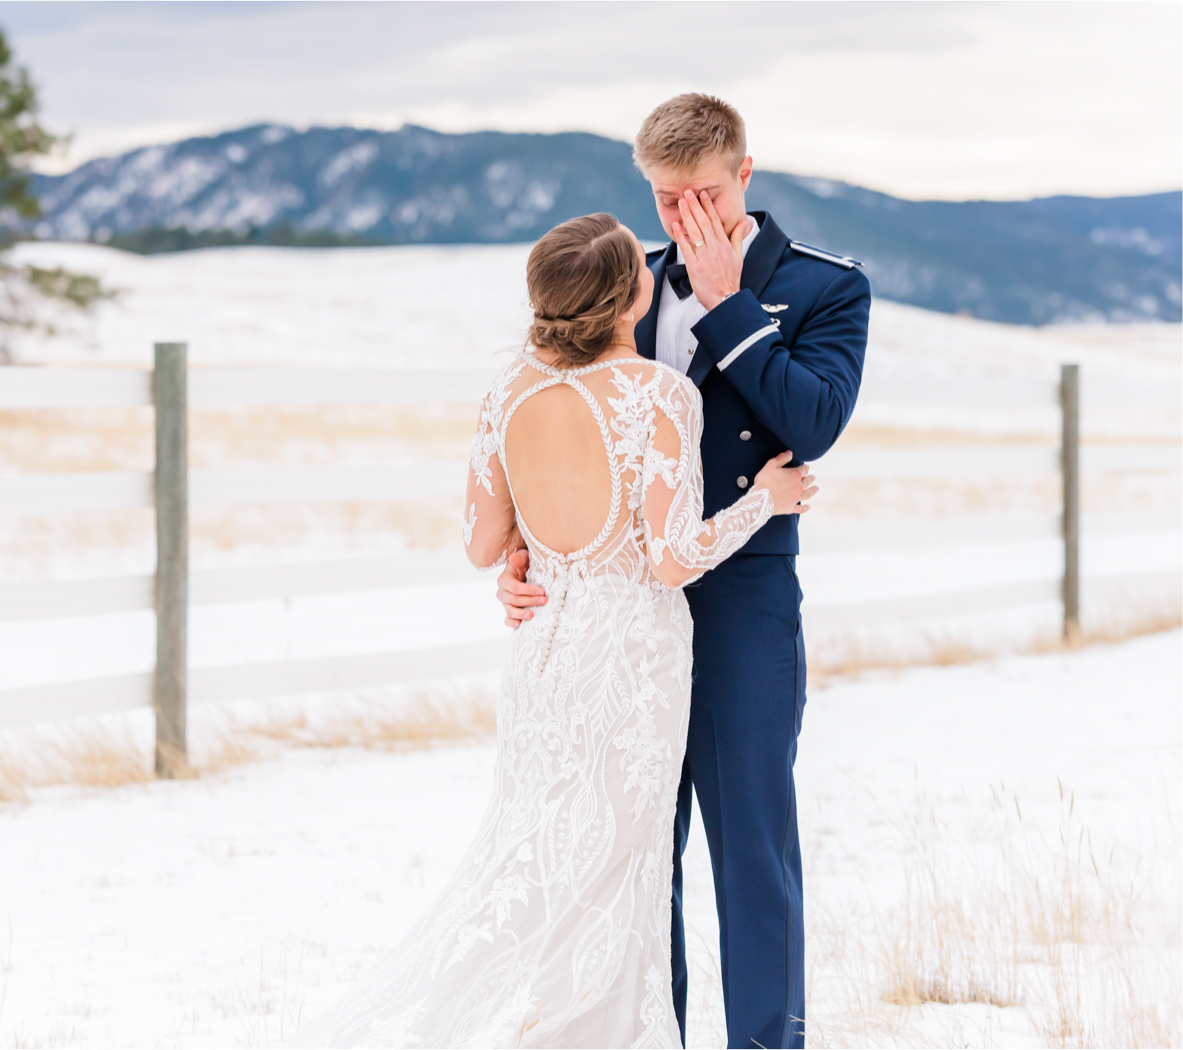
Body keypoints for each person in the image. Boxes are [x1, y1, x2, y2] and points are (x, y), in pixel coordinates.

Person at [304, 212, 814, 1048]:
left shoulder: (507, 393)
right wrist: (767, 499)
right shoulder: (659, 393)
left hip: (544, 654)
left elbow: (478, 541)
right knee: (621, 865)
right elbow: (673, 558)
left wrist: (528, 551)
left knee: (555, 857)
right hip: (633, 658)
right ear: (632, 295)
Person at [497, 94, 871, 1049]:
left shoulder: (826, 288)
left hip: (743, 600)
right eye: (664, 201)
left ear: (745, 175)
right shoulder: (621, 285)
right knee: (634, 848)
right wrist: (530, 546)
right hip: (622, 612)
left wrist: (727, 305)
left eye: (701, 194)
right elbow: (562, 427)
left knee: (750, 844)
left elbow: (813, 422)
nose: (682, 219)